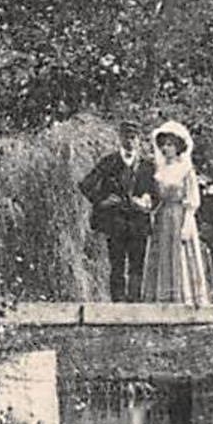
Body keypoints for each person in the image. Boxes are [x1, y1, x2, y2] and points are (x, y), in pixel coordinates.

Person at [78, 117, 154, 301]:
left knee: (137, 263)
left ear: (139, 140)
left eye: (134, 137)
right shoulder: (109, 162)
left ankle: (135, 301)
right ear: (119, 138)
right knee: (117, 263)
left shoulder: (148, 166)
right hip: (115, 221)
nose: (130, 141)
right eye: (126, 137)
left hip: (138, 222)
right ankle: (117, 302)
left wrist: (147, 202)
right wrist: (102, 200)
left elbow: (157, 193)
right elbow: (85, 185)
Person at [141, 120, 211, 305]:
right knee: (162, 253)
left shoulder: (186, 169)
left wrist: (187, 221)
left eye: (170, 144)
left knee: (180, 252)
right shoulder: (158, 170)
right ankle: (161, 300)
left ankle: (184, 298)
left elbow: (192, 198)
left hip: (180, 215)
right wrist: (148, 201)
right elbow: (155, 195)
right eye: (163, 144)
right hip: (162, 216)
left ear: (179, 146)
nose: (166, 148)